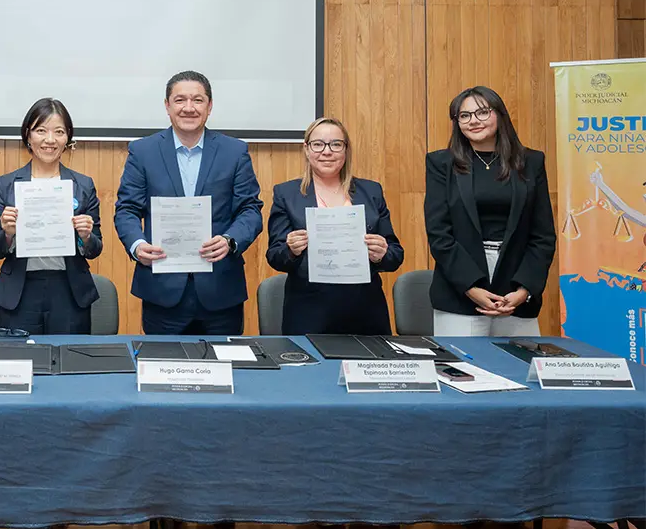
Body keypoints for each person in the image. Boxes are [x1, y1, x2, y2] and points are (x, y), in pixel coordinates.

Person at [114, 71, 263, 335]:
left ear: (210, 107)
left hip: (220, 290)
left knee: (225, 371)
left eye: (198, 100)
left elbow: (250, 210)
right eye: (180, 100)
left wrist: (230, 240)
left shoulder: (235, 151)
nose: (189, 108)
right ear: (167, 106)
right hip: (162, 291)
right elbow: (127, 209)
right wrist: (137, 246)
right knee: (163, 370)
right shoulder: (142, 151)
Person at [425, 86, 556, 335]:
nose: (474, 121)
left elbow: (543, 236)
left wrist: (523, 290)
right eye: (464, 115)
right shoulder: (441, 163)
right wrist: (471, 288)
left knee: (517, 370)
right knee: (463, 372)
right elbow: (439, 234)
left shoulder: (531, 162)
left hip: (516, 290)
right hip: (459, 289)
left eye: (482, 112)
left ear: (500, 115)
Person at [265, 118, 404, 335]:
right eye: (318, 144)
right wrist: (291, 249)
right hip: (308, 313)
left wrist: (381, 254)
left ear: (346, 149)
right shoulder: (287, 194)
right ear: (306, 149)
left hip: (365, 312)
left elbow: (396, 255)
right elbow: (275, 256)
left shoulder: (371, 191)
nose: (327, 151)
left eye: (336, 144)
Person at [0, 98, 102, 334]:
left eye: (59, 132)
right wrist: (7, 234)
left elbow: (95, 249)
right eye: (41, 131)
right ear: (28, 136)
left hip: (70, 292)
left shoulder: (83, 184)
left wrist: (86, 236)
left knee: (68, 362)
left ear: (67, 137)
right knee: (21, 362)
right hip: (20, 291)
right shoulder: (7, 184)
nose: (50, 140)